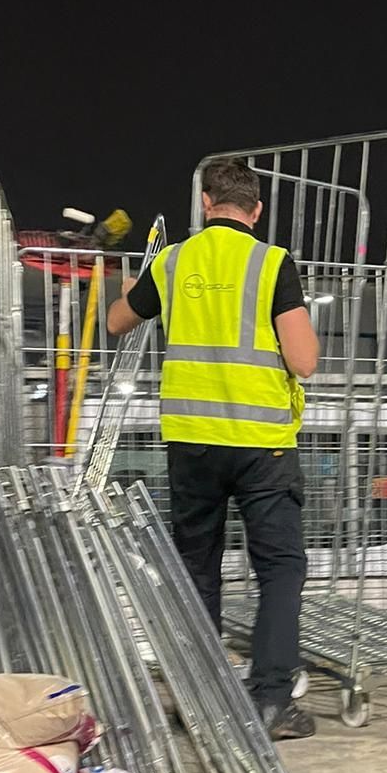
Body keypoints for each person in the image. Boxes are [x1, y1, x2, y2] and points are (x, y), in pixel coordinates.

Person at [107, 156, 320, 739]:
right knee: (280, 569)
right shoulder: (273, 263)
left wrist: (137, 287)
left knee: (198, 568)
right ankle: (272, 701)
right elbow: (304, 361)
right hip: (261, 444)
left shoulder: (174, 262)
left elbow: (116, 321)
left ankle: (202, 697)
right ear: (256, 210)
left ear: (205, 203)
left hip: (192, 443)